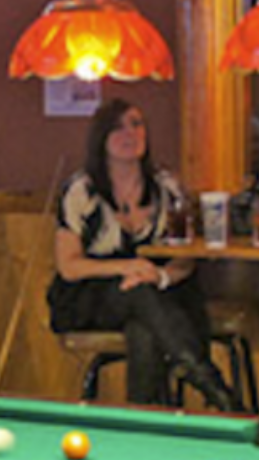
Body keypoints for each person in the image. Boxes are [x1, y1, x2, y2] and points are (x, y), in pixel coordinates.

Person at [46, 98, 237, 410]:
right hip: (93, 294)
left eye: (136, 125)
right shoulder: (81, 189)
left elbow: (185, 257)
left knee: (144, 328)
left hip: (161, 290)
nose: (130, 134)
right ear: (101, 139)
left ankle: (148, 419)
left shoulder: (166, 188)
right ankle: (216, 390)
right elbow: (69, 267)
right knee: (139, 294)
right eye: (117, 128)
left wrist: (159, 275)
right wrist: (129, 267)